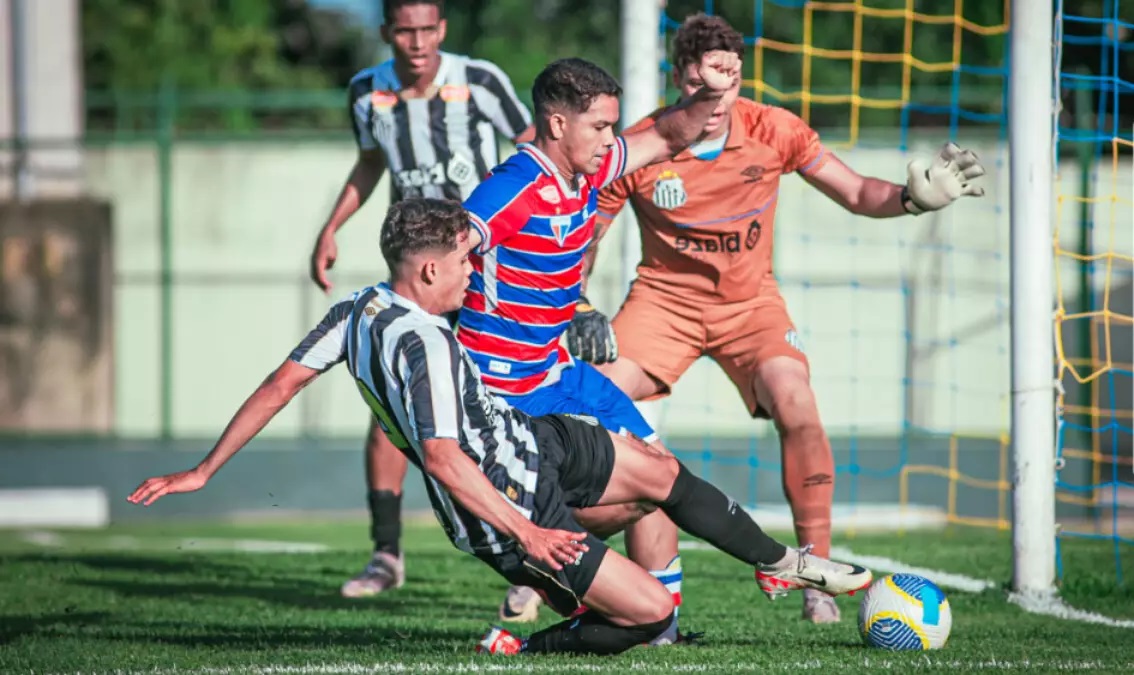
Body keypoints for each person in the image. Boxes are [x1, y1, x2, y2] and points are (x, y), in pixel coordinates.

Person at [126, 198, 873, 657]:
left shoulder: (357, 309)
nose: (472, 275)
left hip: (532, 436)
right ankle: (527, 642)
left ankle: (787, 560)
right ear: (425, 274)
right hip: (507, 500)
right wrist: (529, 533)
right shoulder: (418, 341)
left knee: (659, 469)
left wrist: (204, 468)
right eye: (463, 264)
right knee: (649, 613)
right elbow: (446, 461)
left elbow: (280, 381)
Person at [569, 13, 987, 624]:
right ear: (679, 79)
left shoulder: (774, 129)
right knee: (587, 402)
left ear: (739, 78)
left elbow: (854, 192)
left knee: (796, 400)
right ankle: (559, 552)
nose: (713, 100)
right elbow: (584, 241)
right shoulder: (640, 143)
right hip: (663, 303)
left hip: (751, 306)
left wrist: (910, 199)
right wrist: (577, 303)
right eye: (699, 84)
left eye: (726, 84)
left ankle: (815, 575)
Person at [306, 0, 535, 599]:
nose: (416, 41)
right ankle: (385, 554)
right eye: (404, 30)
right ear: (386, 32)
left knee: (506, 399)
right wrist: (332, 228)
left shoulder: (480, 81)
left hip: (481, 268)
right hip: (414, 274)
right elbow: (370, 163)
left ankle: (532, 551)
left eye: (426, 29)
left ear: (443, 30)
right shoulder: (365, 91)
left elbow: (536, 152)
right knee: (391, 405)